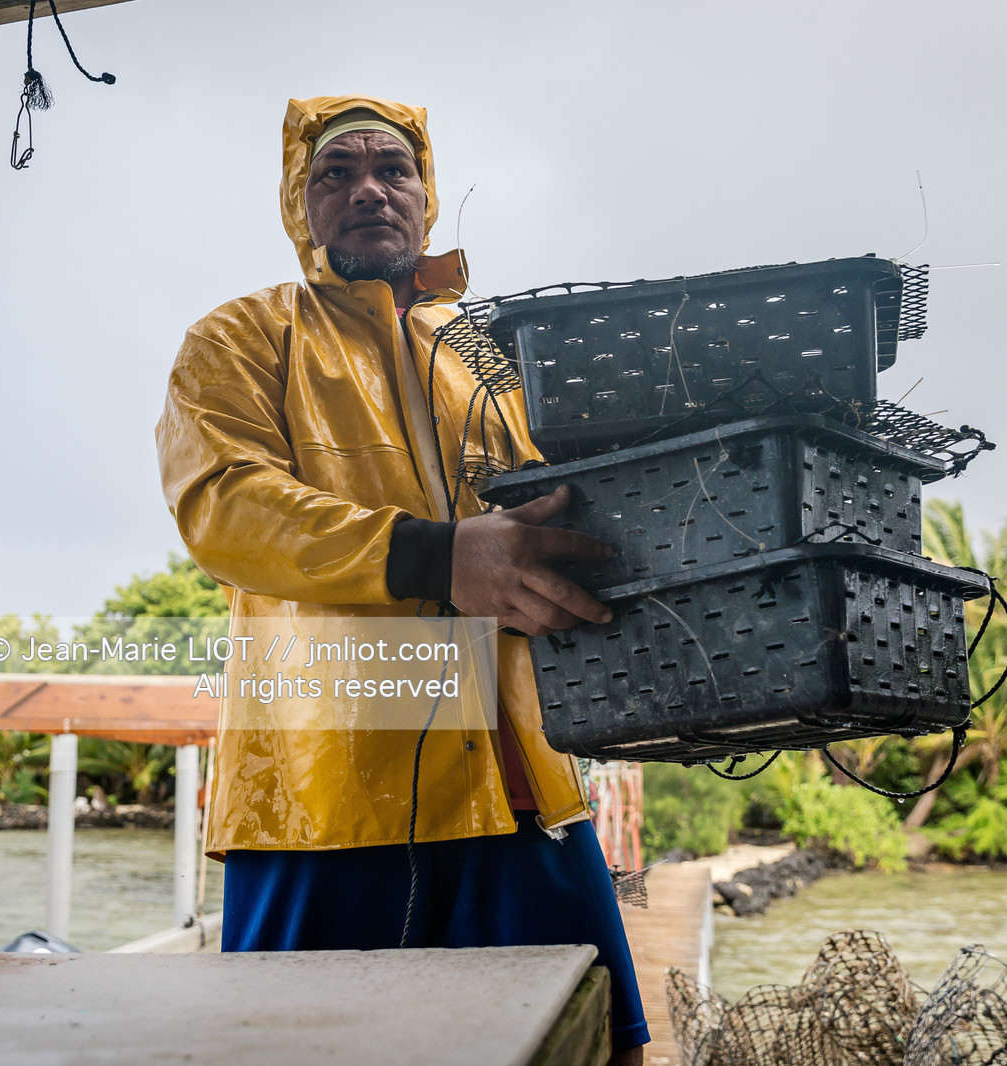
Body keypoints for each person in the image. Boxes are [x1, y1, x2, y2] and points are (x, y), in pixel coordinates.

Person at [155, 94, 650, 1062]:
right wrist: (440, 557)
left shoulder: (488, 361)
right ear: (298, 206)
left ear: (426, 195)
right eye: (334, 174)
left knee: (599, 1043)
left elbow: (575, 513)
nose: (369, 191)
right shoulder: (239, 338)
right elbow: (224, 505)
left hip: (520, 778)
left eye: (394, 169)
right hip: (322, 790)